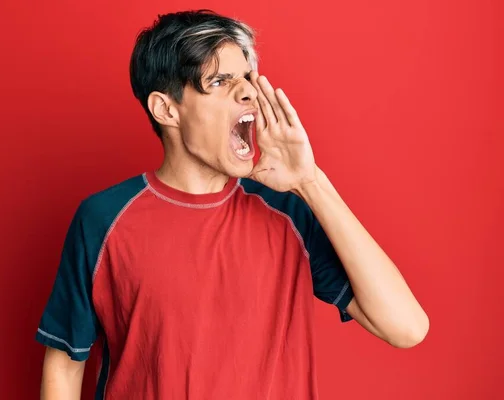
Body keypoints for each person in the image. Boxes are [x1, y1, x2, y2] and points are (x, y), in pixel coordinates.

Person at [35, 9, 429, 400]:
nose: (248, 91)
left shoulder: (288, 214)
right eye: (220, 80)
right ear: (166, 109)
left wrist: (311, 183)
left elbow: (406, 328)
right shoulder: (104, 220)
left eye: (245, 78)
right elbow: (65, 365)